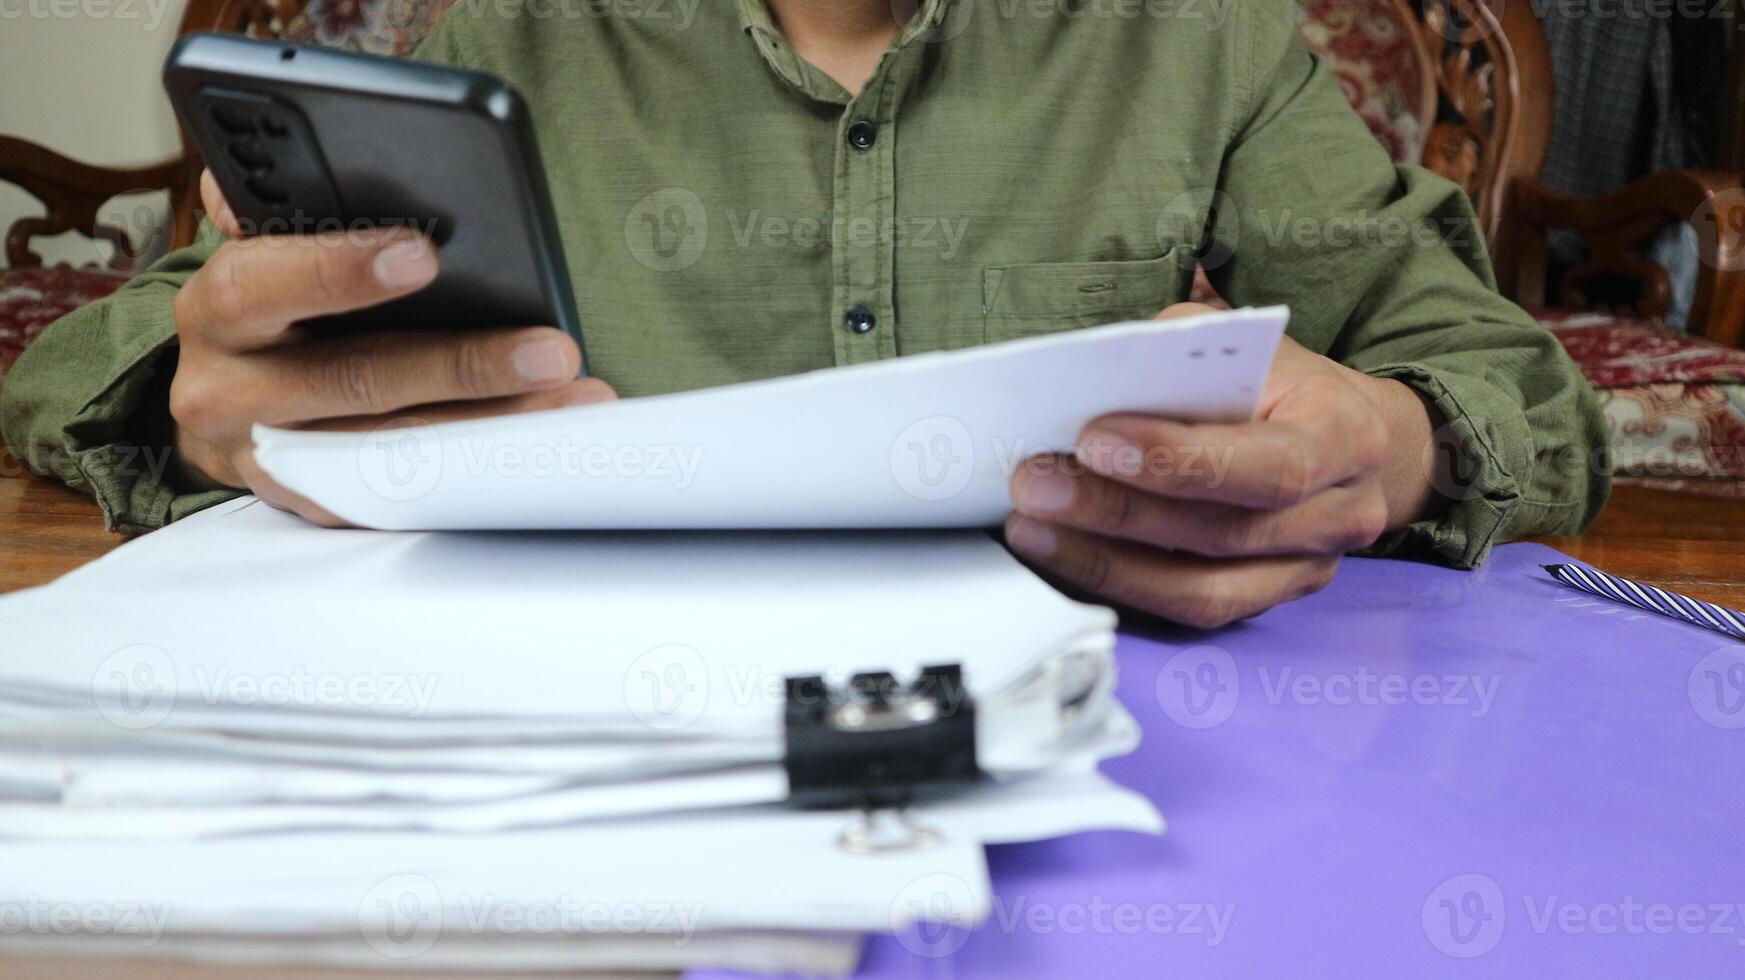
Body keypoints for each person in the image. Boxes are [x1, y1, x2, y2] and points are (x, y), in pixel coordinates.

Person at [0, 0, 1608, 627]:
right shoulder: (497, 29)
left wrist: (1390, 443)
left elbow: (1497, 379)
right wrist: (205, 398)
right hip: (558, 750)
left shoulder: (1205, 40)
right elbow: (117, 347)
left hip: (1109, 762)